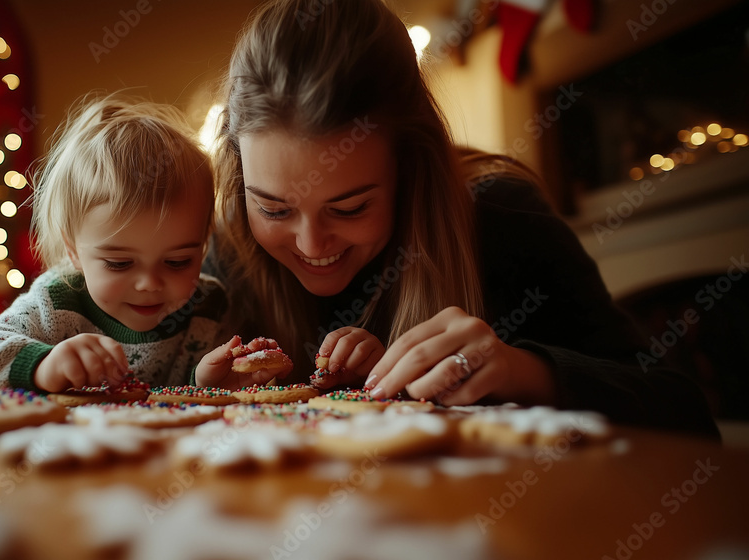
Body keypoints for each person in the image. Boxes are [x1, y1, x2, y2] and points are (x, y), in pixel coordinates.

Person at [199, 0, 719, 438]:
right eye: (274, 208)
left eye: (350, 207)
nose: (312, 244)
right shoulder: (227, 249)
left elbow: (687, 414)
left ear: (411, 166)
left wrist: (526, 371)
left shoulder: (502, 218)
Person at [0, 93, 234, 393]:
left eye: (177, 262)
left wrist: (204, 381)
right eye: (119, 263)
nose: (149, 284)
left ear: (203, 245)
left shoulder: (209, 306)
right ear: (73, 250)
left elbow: (194, 400)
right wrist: (43, 365)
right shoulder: (57, 303)